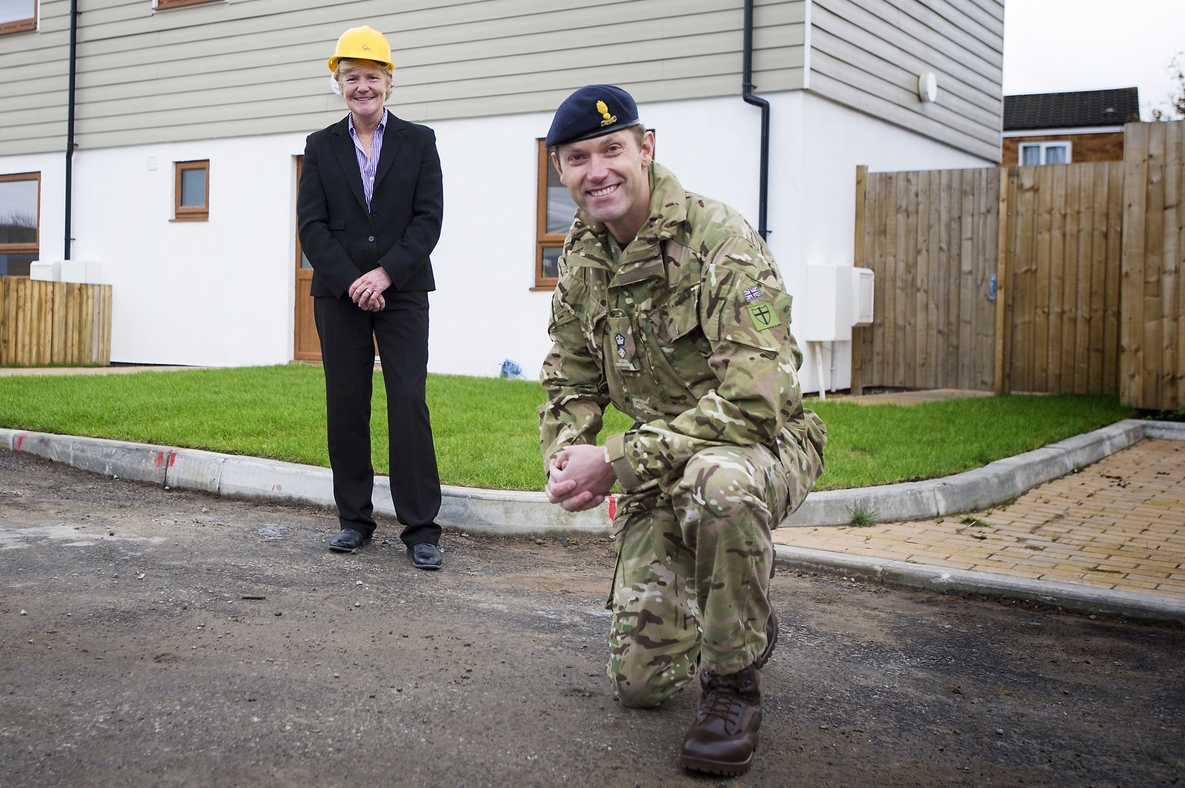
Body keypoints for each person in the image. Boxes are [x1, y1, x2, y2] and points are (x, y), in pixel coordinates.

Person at [539, 85, 826, 776]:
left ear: (646, 148)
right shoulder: (582, 259)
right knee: (642, 687)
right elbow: (570, 379)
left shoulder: (719, 241)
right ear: (560, 170)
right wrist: (565, 452)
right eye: (578, 158)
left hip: (761, 446)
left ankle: (733, 684)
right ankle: (738, 607)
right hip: (659, 461)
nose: (596, 170)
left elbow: (758, 400)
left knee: (717, 483)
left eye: (612, 149)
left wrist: (614, 460)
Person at [297, 26, 445, 570]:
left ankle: (421, 528)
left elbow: (428, 220)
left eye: (372, 78)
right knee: (346, 402)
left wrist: (383, 275)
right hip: (339, 294)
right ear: (339, 84)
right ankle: (354, 521)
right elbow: (311, 226)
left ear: (388, 82)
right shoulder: (320, 146)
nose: (363, 86)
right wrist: (353, 280)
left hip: (403, 289)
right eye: (352, 78)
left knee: (408, 401)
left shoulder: (420, 141)